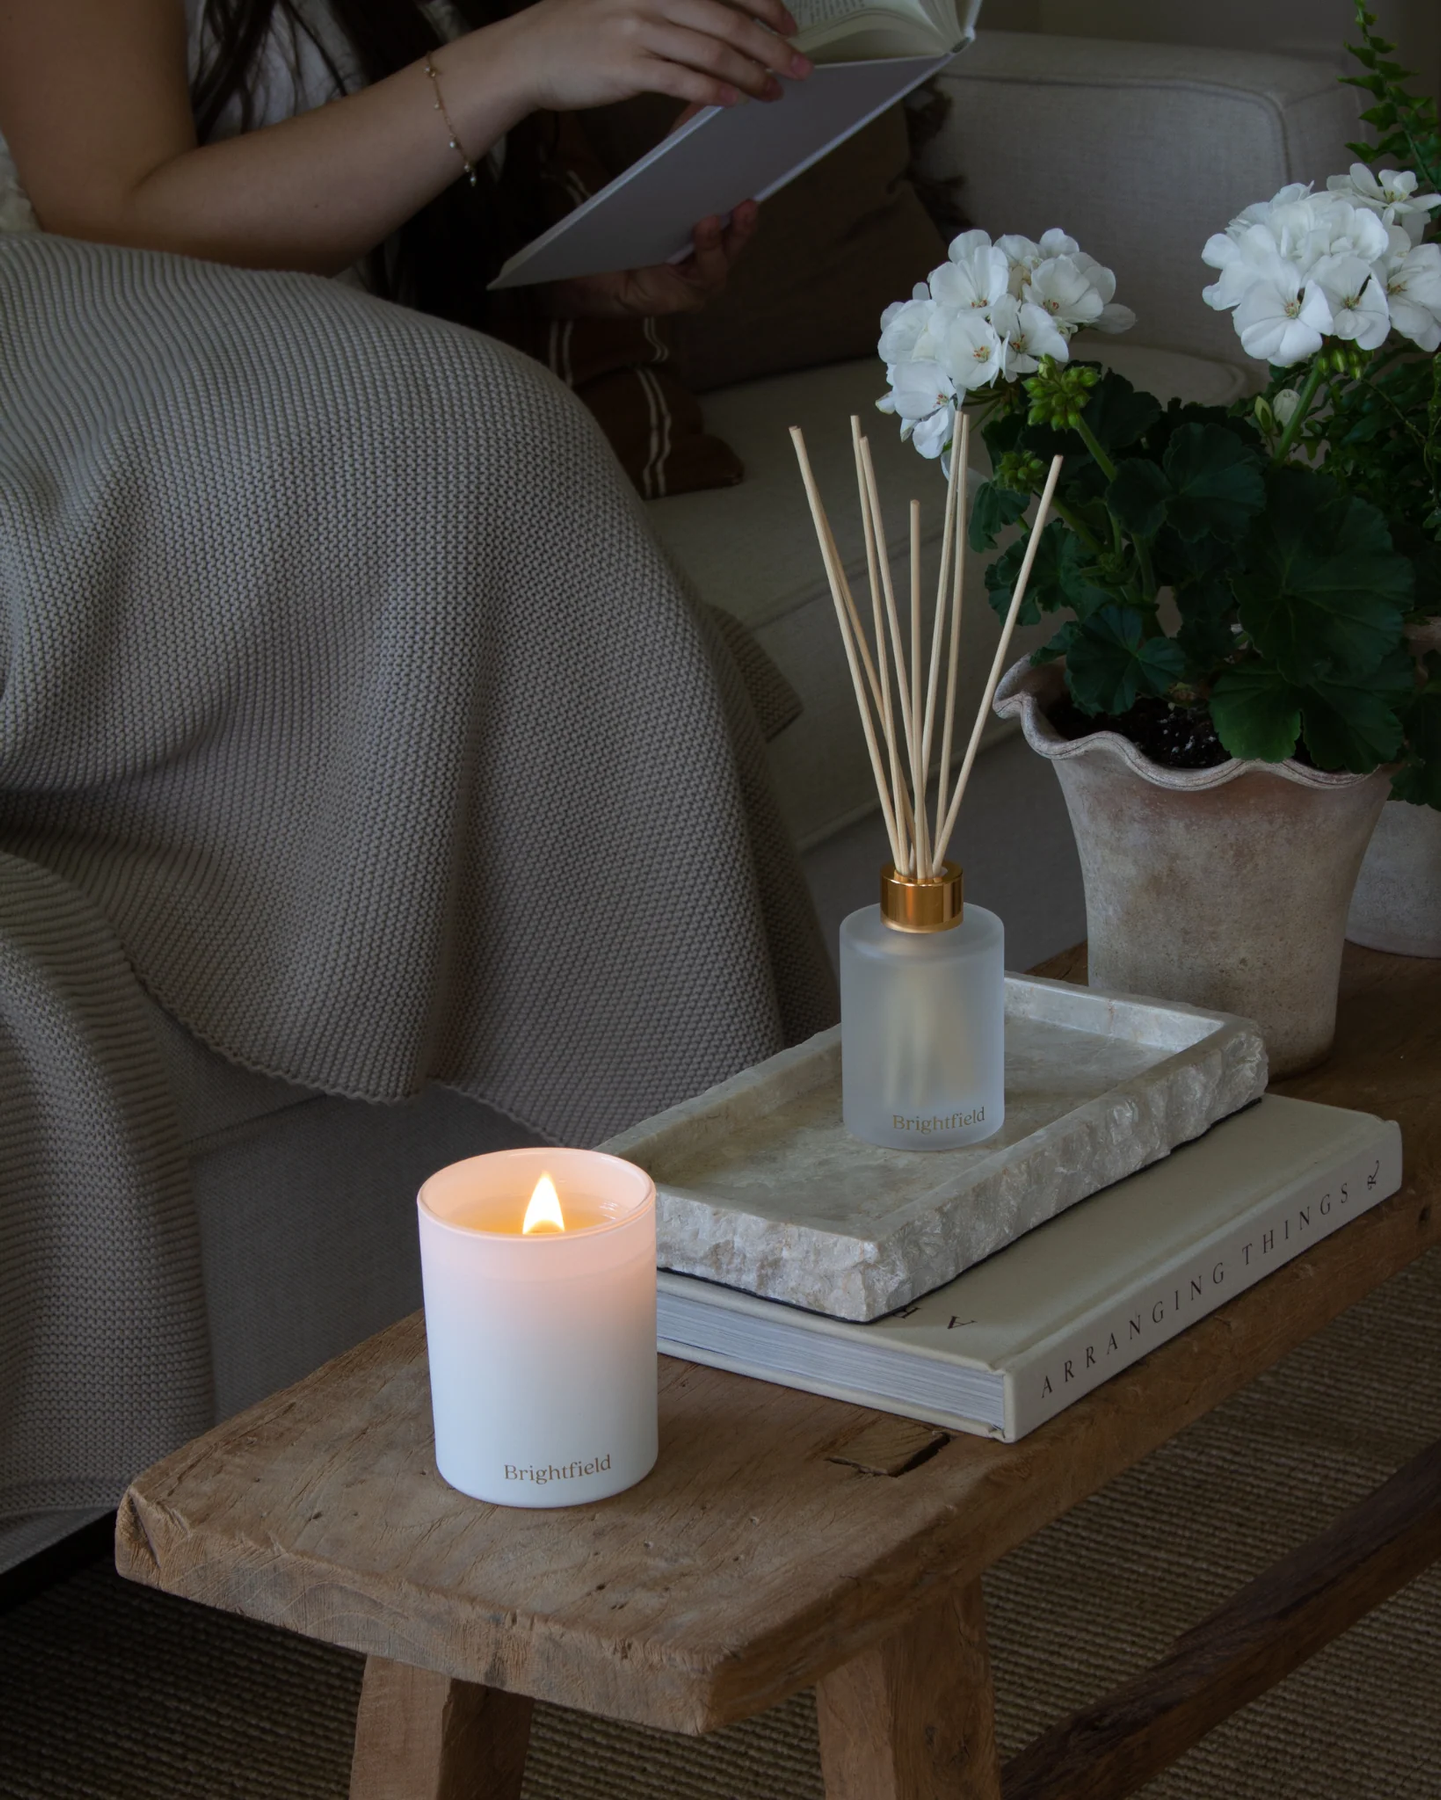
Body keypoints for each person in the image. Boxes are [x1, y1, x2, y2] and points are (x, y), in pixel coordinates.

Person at [0, 0, 814, 324]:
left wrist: (575, 277)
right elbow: (110, 235)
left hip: (398, 413)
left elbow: (378, 225)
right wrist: (514, 59)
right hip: (201, 448)